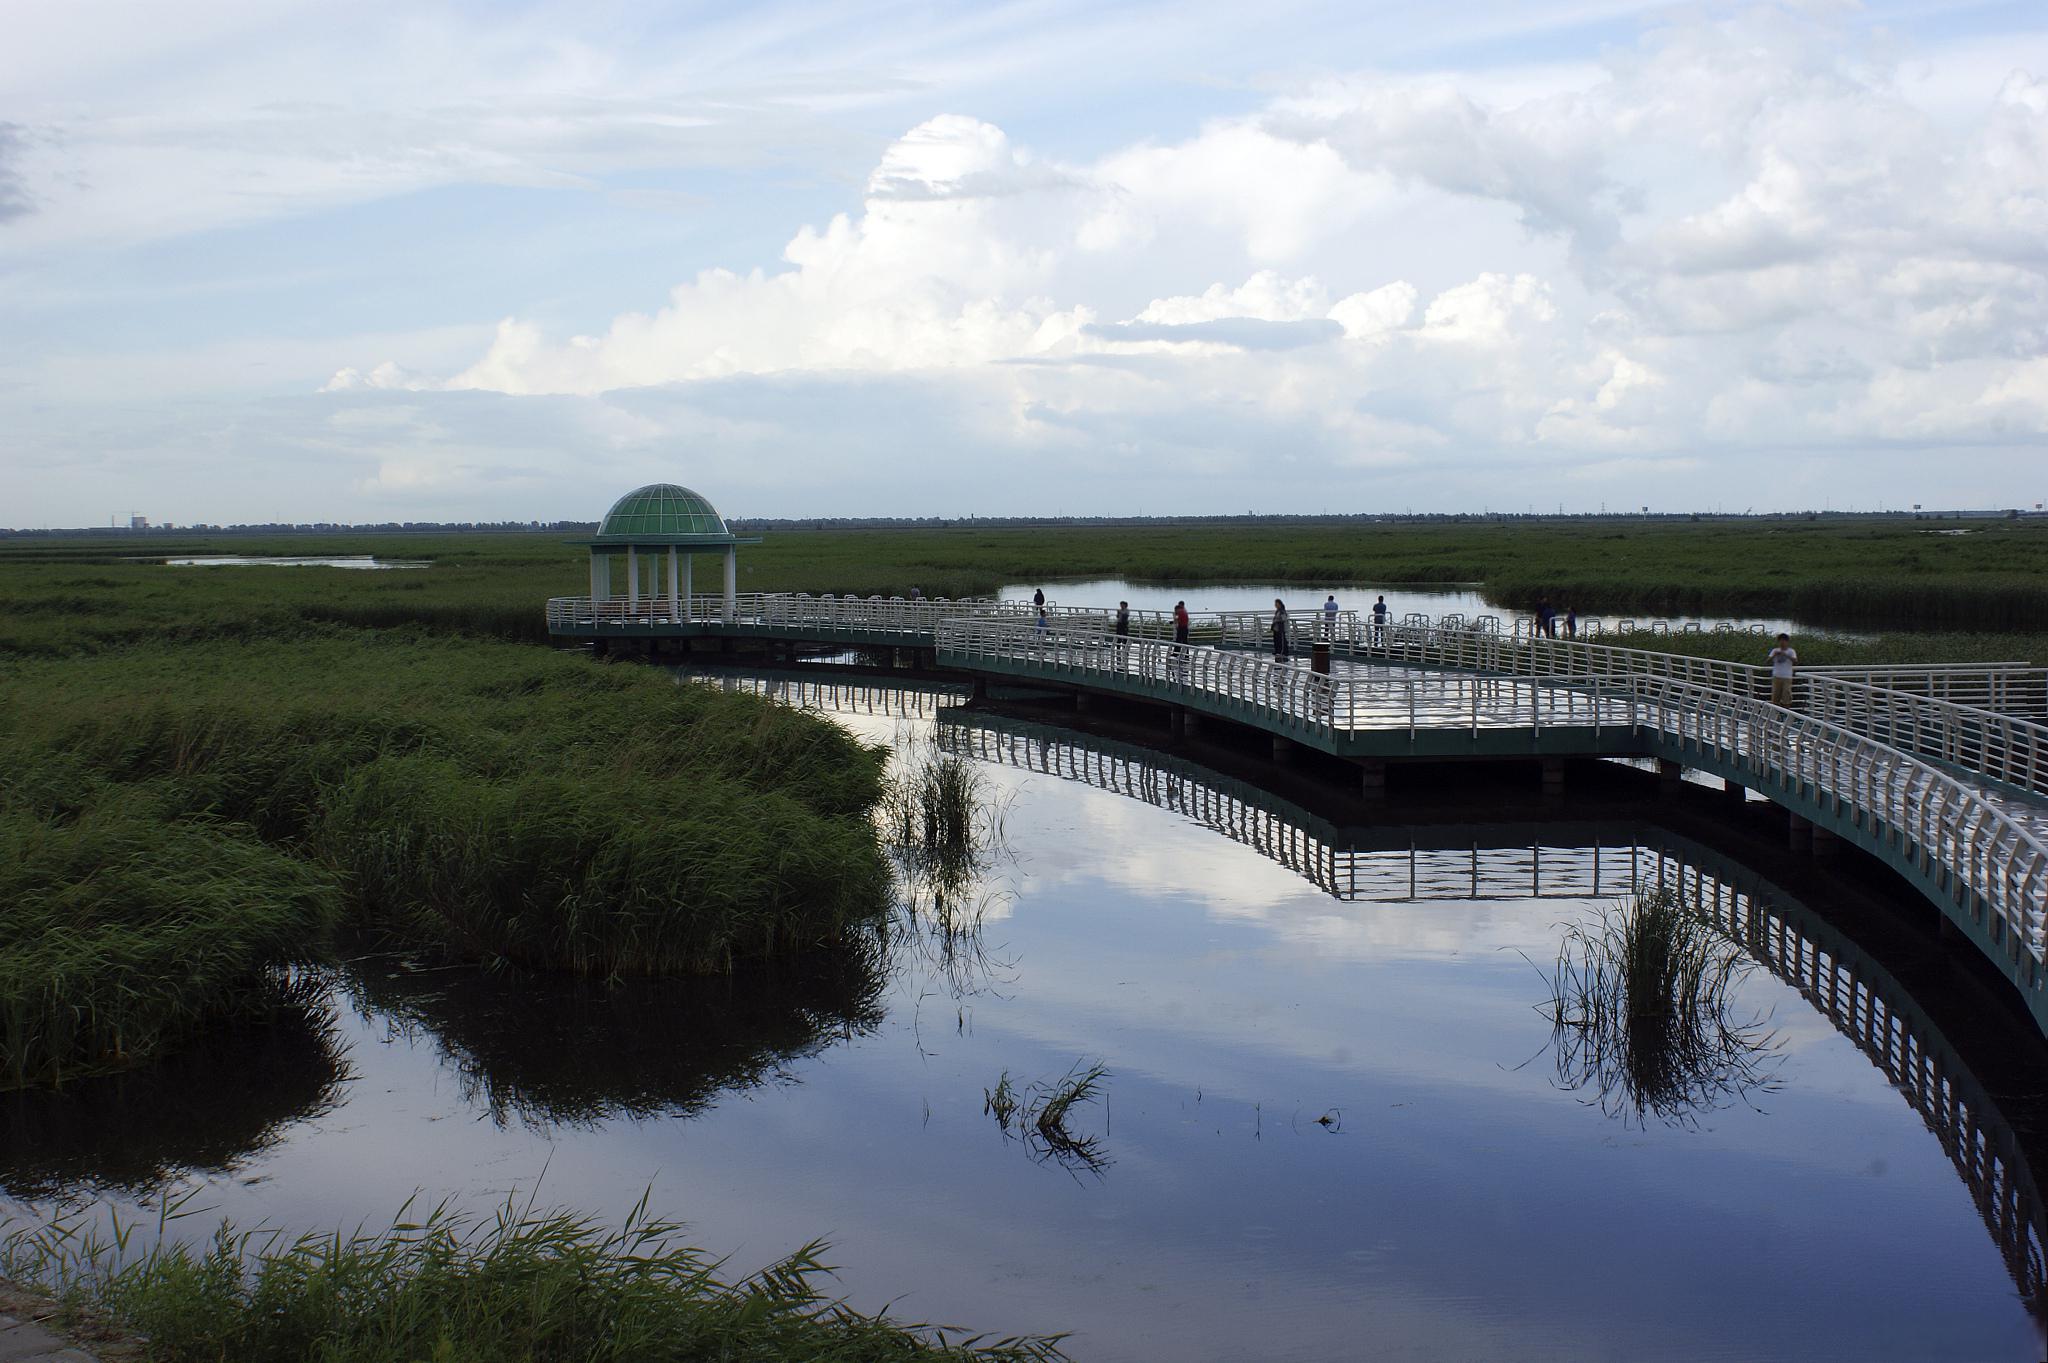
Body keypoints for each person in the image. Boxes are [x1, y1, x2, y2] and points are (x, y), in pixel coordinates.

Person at [1768, 633, 1799, 707]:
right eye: (1781, 641)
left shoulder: (1791, 651)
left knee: (1786, 696)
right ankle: (1775, 715)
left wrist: (1786, 655)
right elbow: (1767, 661)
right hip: (1776, 676)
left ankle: (1786, 714)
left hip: (1787, 677)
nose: (1782, 643)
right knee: (1775, 697)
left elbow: (1795, 661)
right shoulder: (1775, 650)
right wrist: (1774, 655)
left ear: (1787, 642)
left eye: (1784, 641)